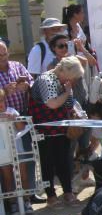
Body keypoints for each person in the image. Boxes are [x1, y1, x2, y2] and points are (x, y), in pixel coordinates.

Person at [27, 56, 85, 206]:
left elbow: (68, 103)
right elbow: (52, 104)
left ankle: (67, 192)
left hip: (60, 128)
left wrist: (71, 102)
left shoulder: (64, 82)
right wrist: (66, 92)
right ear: (65, 72)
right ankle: (51, 195)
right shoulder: (47, 79)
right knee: (47, 161)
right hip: (44, 128)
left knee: (64, 160)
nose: (74, 81)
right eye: (73, 77)